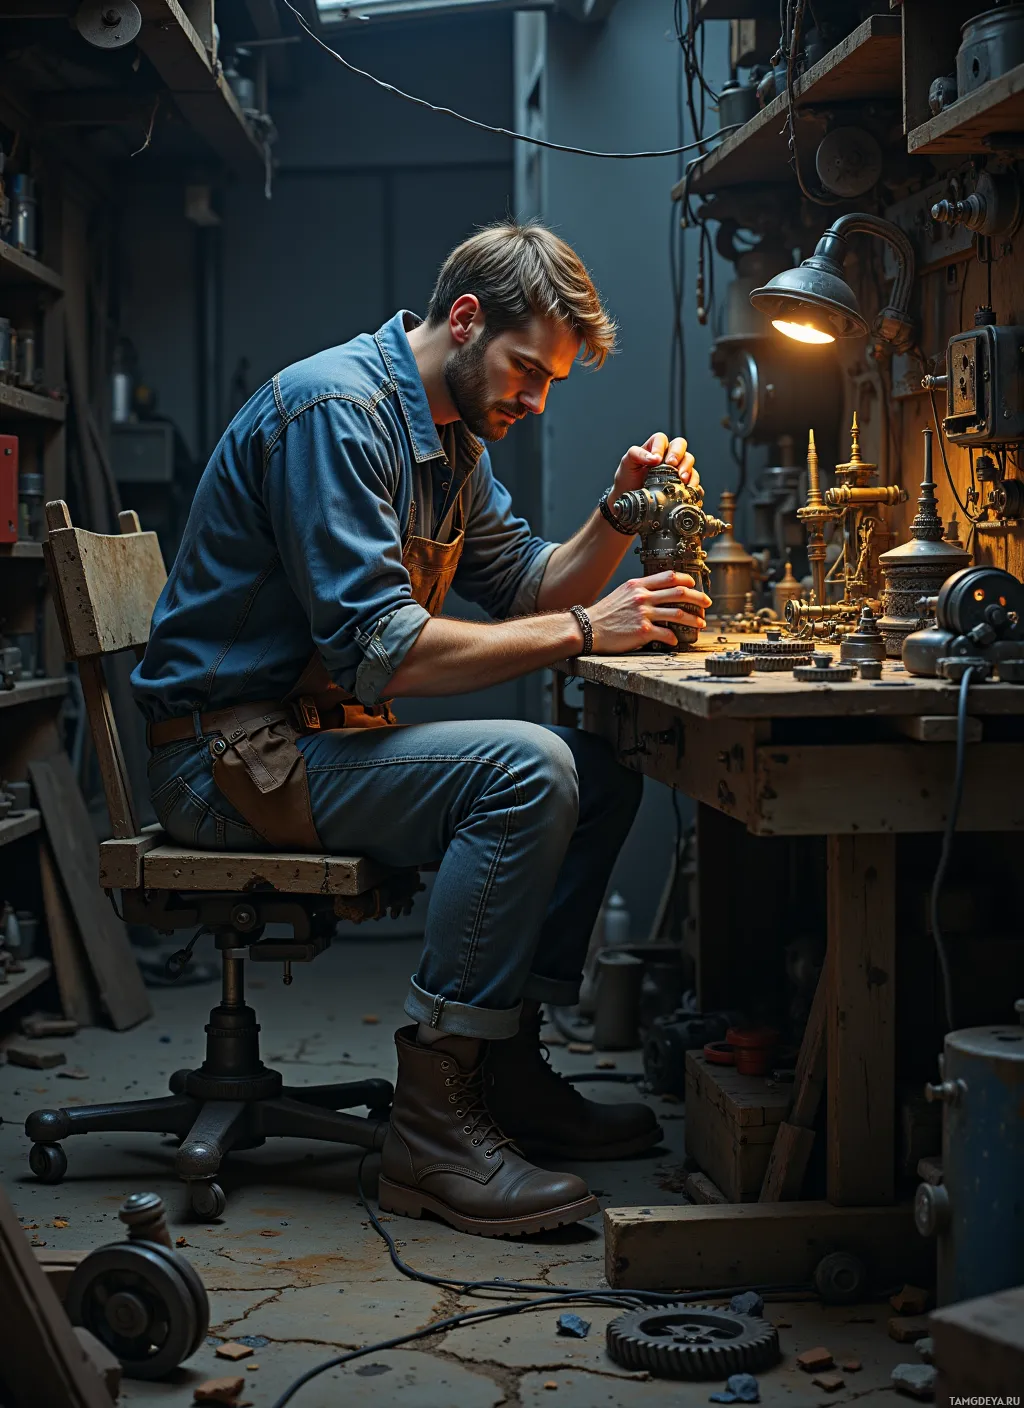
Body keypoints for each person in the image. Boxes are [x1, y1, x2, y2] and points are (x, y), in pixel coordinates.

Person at [132, 221, 709, 1239]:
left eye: (550, 386)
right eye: (526, 371)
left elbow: (526, 581)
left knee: (602, 766)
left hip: (303, 744)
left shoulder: (449, 439)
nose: (532, 401)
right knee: (527, 769)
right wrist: (586, 629)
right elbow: (380, 651)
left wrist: (615, 520)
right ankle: (434, 1124)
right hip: (229, 761)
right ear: (465, 318)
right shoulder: (337, 412)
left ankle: (506, 1068)